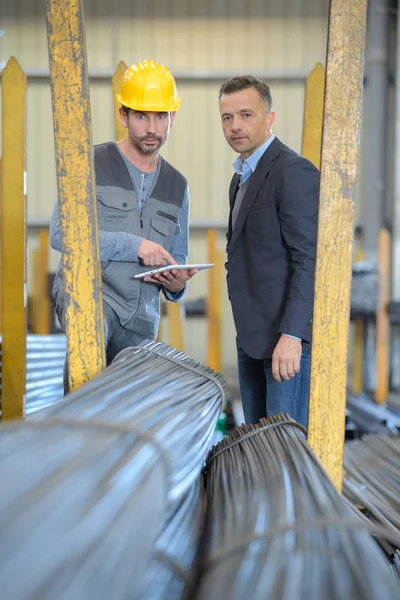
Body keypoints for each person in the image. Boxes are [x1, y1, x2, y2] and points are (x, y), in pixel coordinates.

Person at [51, 60, 198, 392]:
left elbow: (178, 255)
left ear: (173, 118)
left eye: (161, 116)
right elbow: (62, 234)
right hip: (92, 298)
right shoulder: (89, 163)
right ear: (123, 116)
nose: (152, 128)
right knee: (85, 385)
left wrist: (176, 285)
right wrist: (136, 246)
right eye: (142, 116)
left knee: (127, 414)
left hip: (141, 319)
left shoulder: (178, 185)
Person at [219, 75, 319, 428]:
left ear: (269, 119)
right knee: (260, 445)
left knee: (284, 451)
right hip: (252, 339)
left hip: (285, 343)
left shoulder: (292, 171)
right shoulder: (240, 177)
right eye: (227, 118)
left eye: (246, 115)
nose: (235, 126)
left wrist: (292, 336)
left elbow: (310, 259)